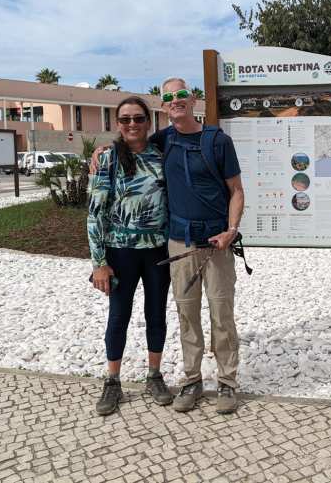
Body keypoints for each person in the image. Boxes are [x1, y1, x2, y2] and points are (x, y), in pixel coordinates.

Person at [91, 78, 245, 414]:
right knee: (184, 315)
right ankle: (190, 380)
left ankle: (227, 383)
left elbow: (236, 190)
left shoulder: (215, 141)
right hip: (173, 244)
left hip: (212, 243)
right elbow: (128, 147)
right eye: (169, 98)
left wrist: (232, 230)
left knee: (221, 315)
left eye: (181, 95)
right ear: (163, 107)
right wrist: (102, 149)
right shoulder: (164, 140)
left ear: (192, 100)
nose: (175, 101)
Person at [87, 97, 173, 416]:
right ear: (117, 124)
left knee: (156, 313)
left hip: (157, 251)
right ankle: (112, 381)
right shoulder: (108, 158)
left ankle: (154, 374)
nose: (132, 125)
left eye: (138, 119)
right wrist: (99, 263)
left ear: (148, 122)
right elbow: (95, 213)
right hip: (120, 253)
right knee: (118, 315)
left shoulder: (161, 156)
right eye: (125, 120)